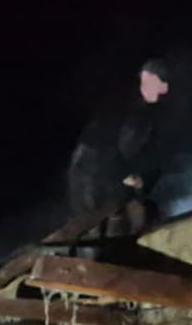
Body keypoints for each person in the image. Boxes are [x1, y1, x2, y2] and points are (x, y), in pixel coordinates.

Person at [67, 57, 170, 238]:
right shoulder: (135, 113)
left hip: (99, 170)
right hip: (92, 170)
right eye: (145, 81)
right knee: (98, 224)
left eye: (152, 82)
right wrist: (126, 177)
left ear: (164, 87)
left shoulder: (151, 113)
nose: (146, 86)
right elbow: (117, 151)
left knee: (123, 218)